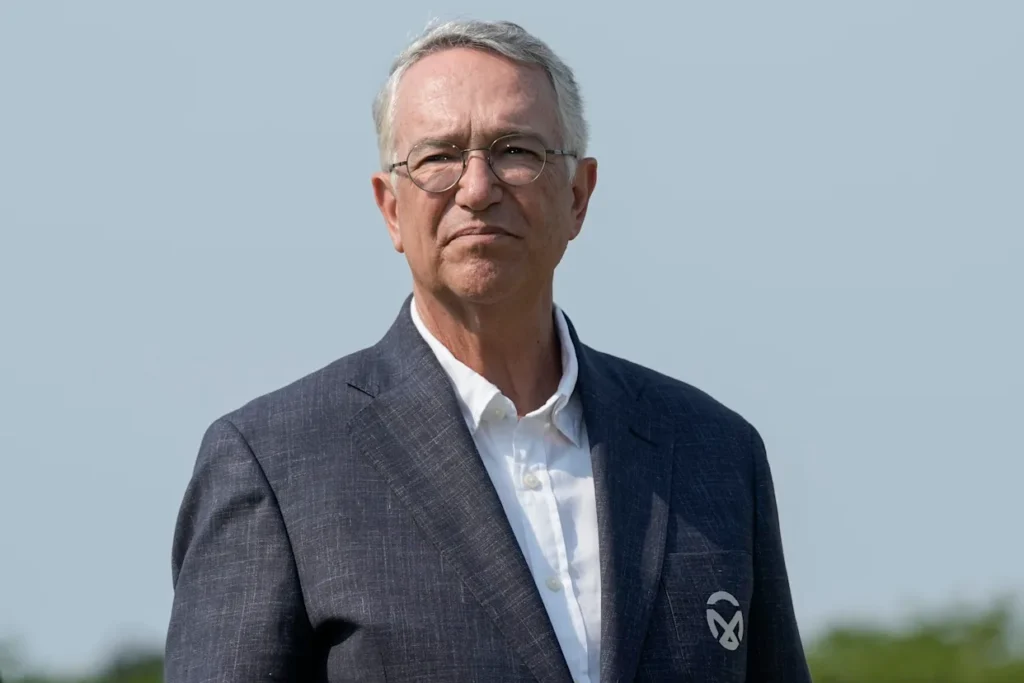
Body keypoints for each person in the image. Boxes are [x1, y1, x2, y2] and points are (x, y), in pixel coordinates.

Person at [165, 18, 811, 683]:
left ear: (579, 195)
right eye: (438, 157)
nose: (477, 189)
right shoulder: (275, 466)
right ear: (391, 208)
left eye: (515, 151)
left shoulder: (713, 452)